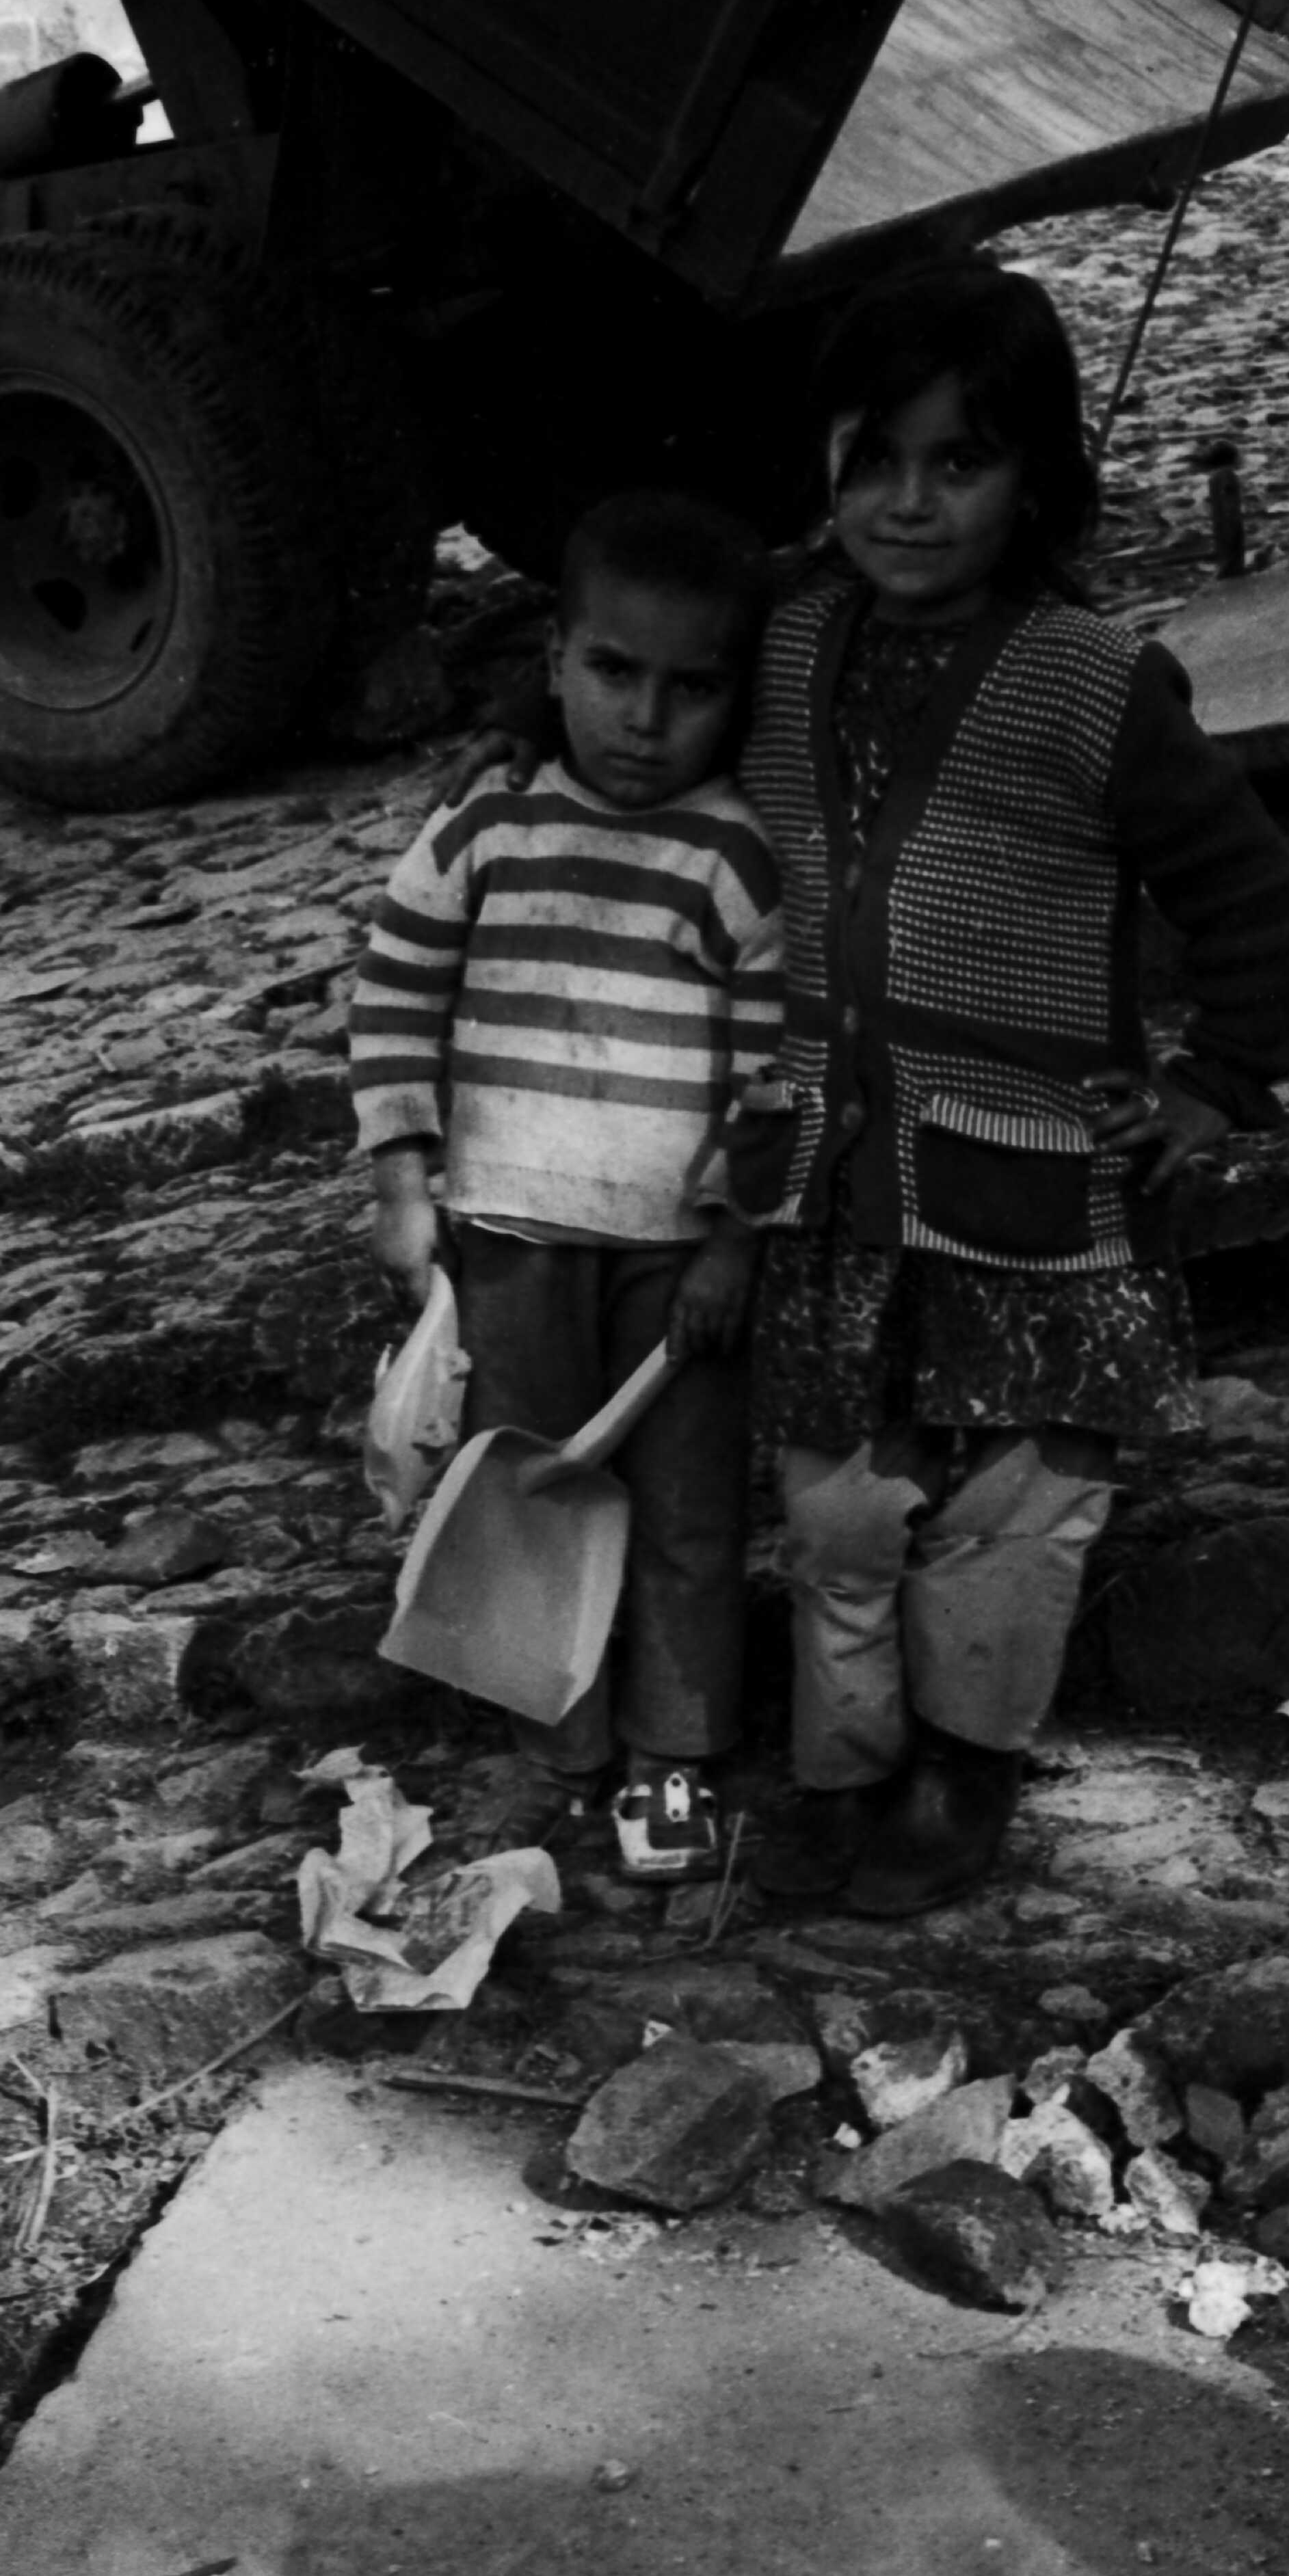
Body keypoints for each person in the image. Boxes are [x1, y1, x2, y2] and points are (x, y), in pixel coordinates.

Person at [711, 258, 1289, 1914]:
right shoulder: (777, 638)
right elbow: (634, 669)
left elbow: (1245, 887)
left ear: (1035, 480)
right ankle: (845, 1767)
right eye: (874, 460)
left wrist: (1214, 1081)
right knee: (838, 1501)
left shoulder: (1095, 681)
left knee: (1015, 1499)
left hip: (1026, 1171)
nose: (908, 505)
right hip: (826, 1176)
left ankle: (963, 1770)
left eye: (959, 463)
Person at [349, 485, 781, 1877]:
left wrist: (735, 1241)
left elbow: (775, 1069)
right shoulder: (487, 826)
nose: (645, 719)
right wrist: (404, 1180)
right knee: (522, 1497)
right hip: (511, 1236)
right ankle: (559, 1746)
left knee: (685, 1510)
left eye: (690, 688)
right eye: (612, 671)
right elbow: (396, 992)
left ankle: (672, 1756)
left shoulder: (736, 856)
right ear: (554, 661)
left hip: (674, 1258)